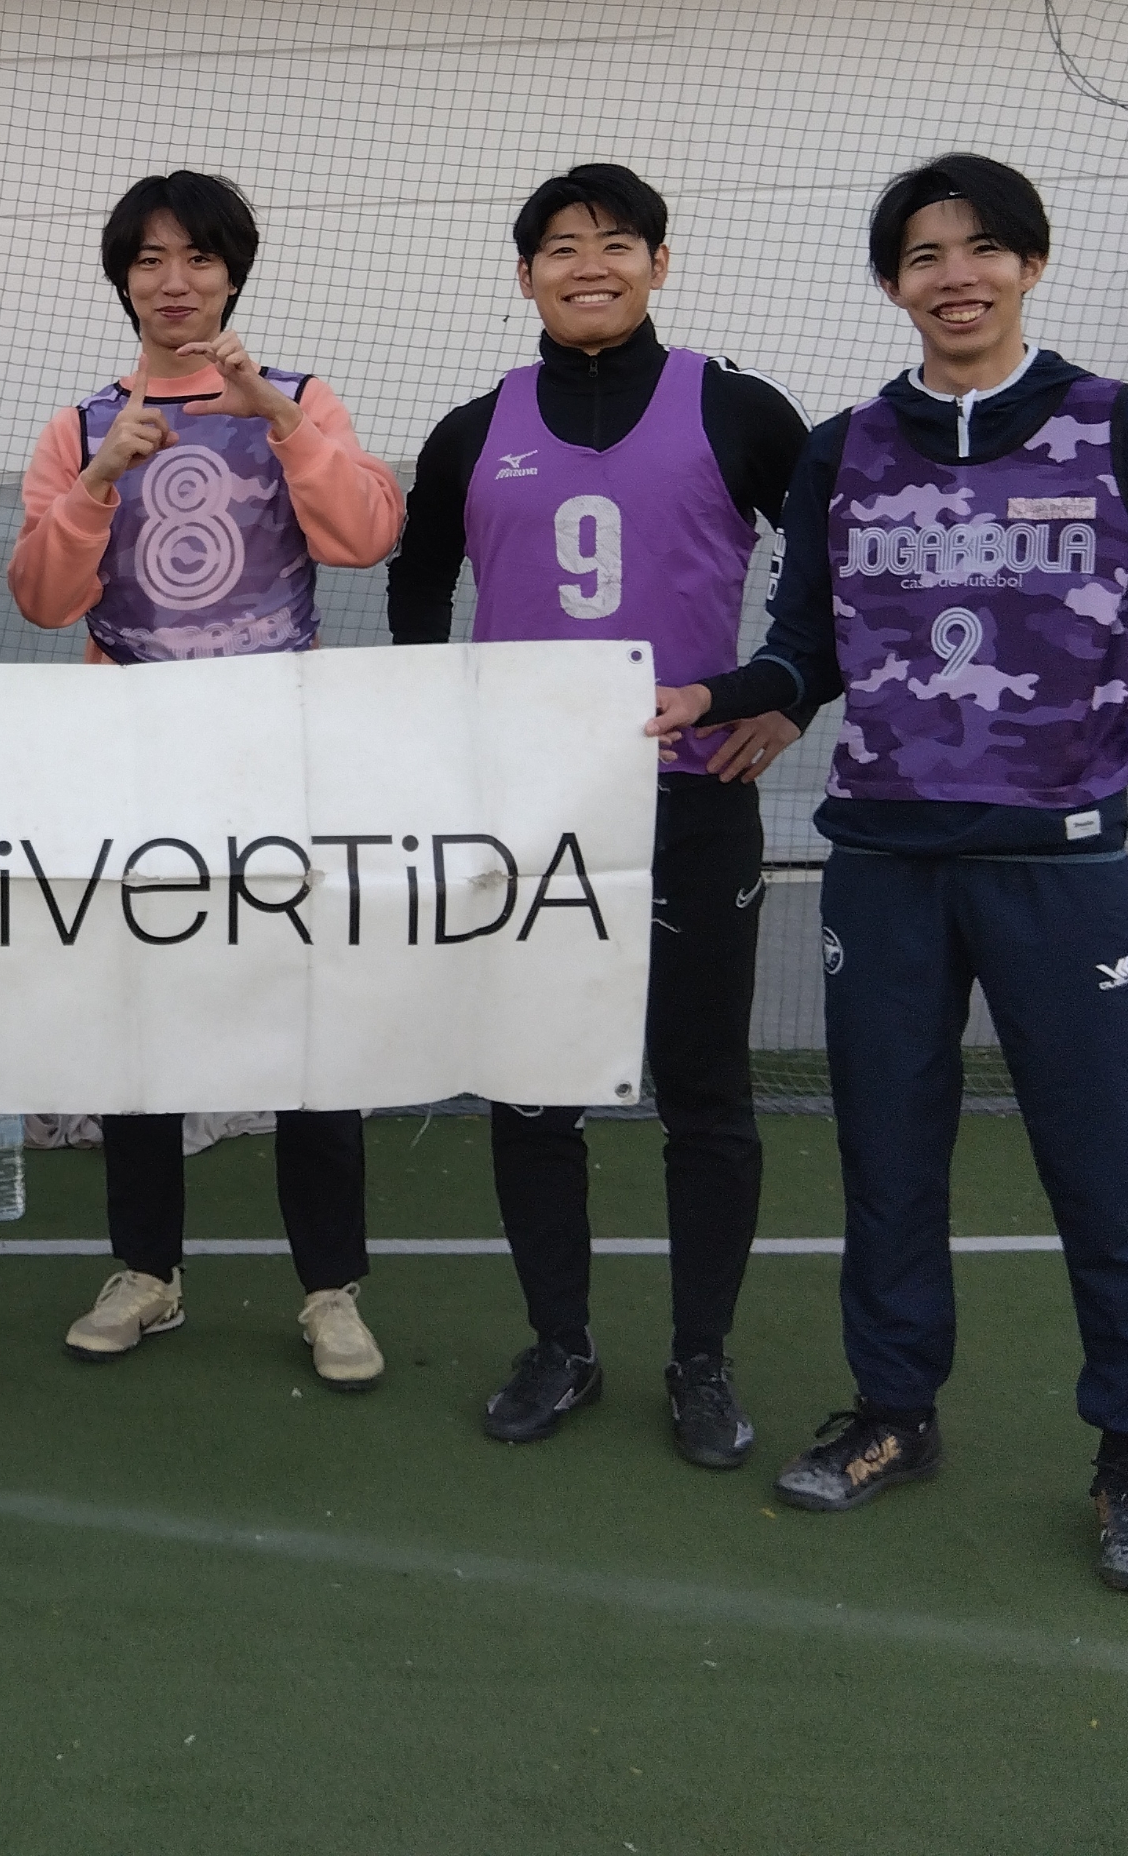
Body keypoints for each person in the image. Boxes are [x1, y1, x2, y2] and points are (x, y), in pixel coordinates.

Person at [646, 153, 1128, 1593]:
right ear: (891, 283)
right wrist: (718, 696)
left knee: (1106, 1170)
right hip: (883, 865)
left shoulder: (1120, 426)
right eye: (923, 254)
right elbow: (807, 652)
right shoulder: (843, 450)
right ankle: (895, 1412)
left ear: (1030, 263)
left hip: (1059, 867)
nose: (954, 276)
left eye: (981, 249)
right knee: (887, 1158)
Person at [390, 163, 811, 1466]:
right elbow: (417, 584)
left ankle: (702, 1360)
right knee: (534, 1091)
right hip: (534, 818)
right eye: (562, 247)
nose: (590, 264)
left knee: (706, 1092)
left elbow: (840, 571)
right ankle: (560, 1344)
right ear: (526, 275)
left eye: (617, 242)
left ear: (659, 263)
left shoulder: (737, 409)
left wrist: (786, 694)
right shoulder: (474, 430)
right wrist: (441, 731)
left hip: (690, 803)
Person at [6, 170, 406, 1389]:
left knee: (306, 1028)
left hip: (281, 769)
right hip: (134, 772)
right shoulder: (81, 424)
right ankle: (147, 1272)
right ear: (123, 279)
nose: (174, 281)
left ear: (233, 273)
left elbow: (367, 534)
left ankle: (330, 1288)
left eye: (198, 257)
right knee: (142, 1024)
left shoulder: (298, 398)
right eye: (150, 259)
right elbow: (40, 599)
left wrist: (278, 420)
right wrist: (98, 481)